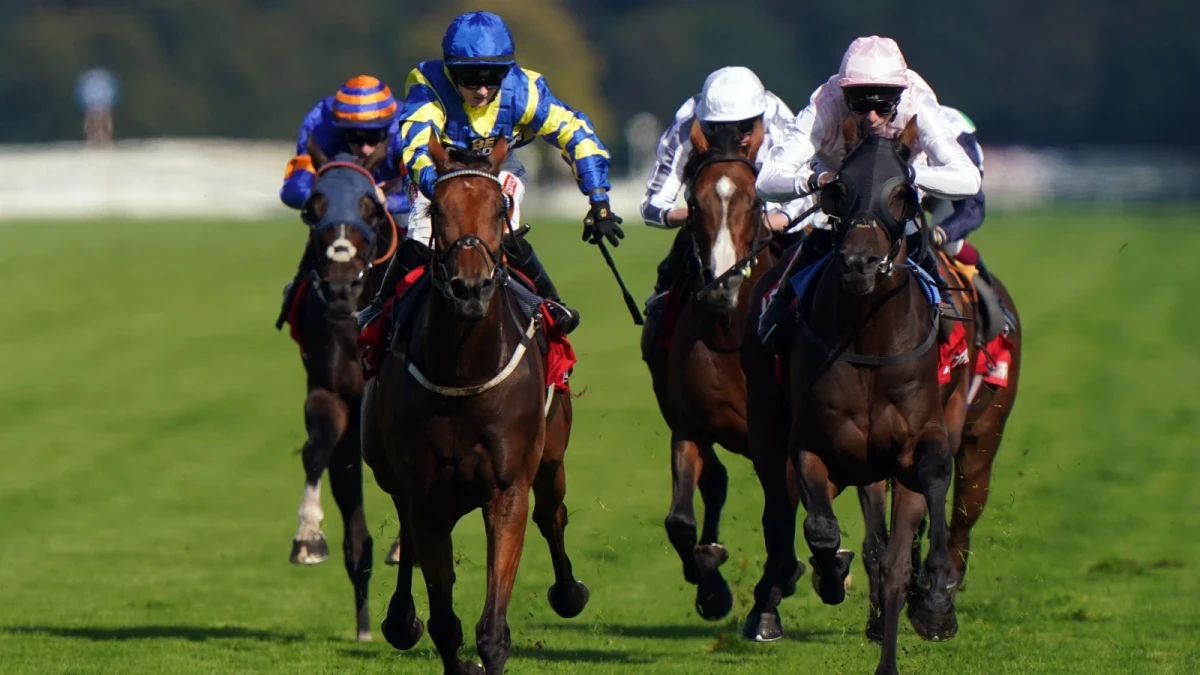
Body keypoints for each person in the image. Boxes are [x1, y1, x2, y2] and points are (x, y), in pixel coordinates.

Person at [358, 10, 623, 334]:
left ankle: (551, 303)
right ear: (450, 70)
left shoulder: (526, 90)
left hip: (498, 166)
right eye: (470, 78)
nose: (482, 89)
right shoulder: (428, 84)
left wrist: (598, 199)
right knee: (422, 235)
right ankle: (379, 306)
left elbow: (576, 133)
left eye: (493, 76)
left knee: (503, 227)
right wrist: (436, 185)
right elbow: (415, 148)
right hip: (442, 169)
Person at [754, 35, 982, 343]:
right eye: (860, 104)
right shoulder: (824, 104)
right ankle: (779, 308)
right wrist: (814, 182)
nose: (872, 117)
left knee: (917, 236)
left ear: (900, 96)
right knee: (819, 236)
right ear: (844, 94)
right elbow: (767, 180)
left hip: (896, 194)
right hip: (841, 189)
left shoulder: (919, 105)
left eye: (883, 105)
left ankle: (945, 306)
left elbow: (969, 179)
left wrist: (907, 174)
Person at [640, 66, 807, 315]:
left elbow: (802, 193)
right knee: (681, 254)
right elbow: (652, 205)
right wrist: (696, 215)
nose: (734, 136)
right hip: (709, 215)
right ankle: (661, 304)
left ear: (760, 119)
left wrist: (772, 220)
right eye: (719, 128)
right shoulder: (685, 129)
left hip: (771, 215)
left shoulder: (782, 127)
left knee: (806, 257)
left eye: (745, 127)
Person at [276, 76, 410, 331]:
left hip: (396, 197)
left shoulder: (408, 126)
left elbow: (426, 189)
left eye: (374, 137)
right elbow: (293, 190)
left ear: (389, 127)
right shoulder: (319, 123)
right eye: (355, 138)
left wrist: (389, 202)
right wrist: (335, 200)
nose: (366, 148)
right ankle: (298, 297)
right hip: (342, 207)